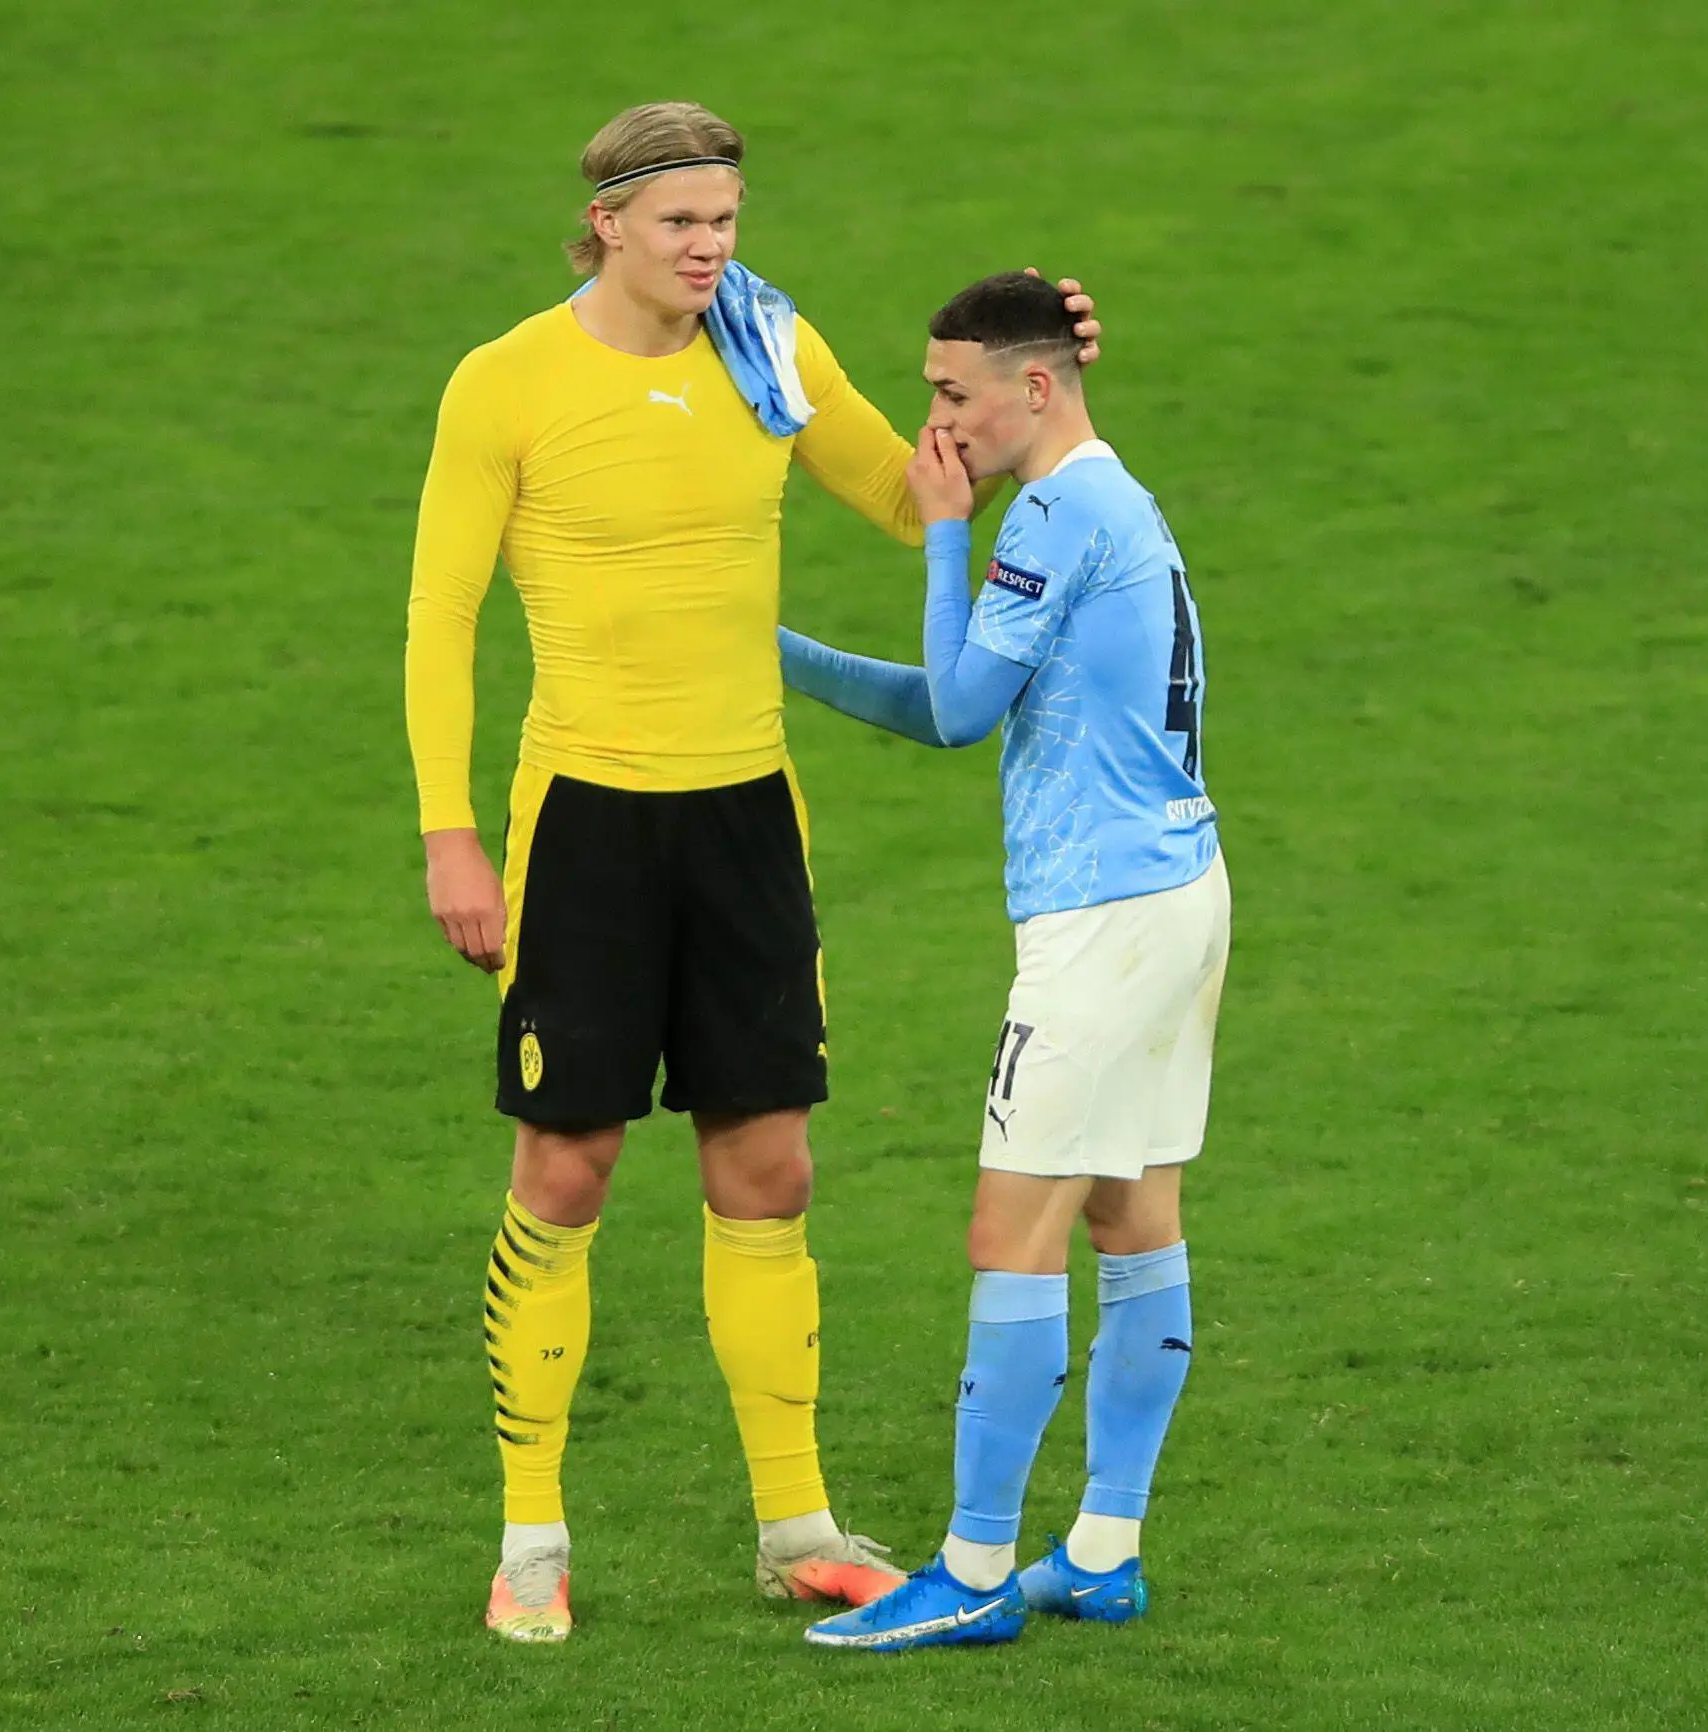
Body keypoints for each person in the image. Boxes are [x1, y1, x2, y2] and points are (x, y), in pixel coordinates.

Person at [404, 104, 1100, 1643]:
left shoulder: (766, 347)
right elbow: (441, 611)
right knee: (567, 1166)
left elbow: (917, 484)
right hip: (583, 818)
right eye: (680, 226)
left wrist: (1034, 373)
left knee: (768, 1166)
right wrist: (452, 831)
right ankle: (532, 1537)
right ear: (603, 227)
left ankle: (796, 1525)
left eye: (725, 220)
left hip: (745, 820)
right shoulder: (506, 382)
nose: (711, 248)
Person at [775, 271, 1225, 1652]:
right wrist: (770, 655)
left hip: (1100, 921)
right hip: (1183, 893)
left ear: (1036, 388)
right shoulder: (1115, 499)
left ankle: (970, 1571)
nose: (936, 425)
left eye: (952, 395)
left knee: (1006, 1232)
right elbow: (946, 700)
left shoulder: (1051, 512)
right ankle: (1102, 1547)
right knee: (1130, 1217)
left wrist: (940, 542)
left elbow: (964, 708)